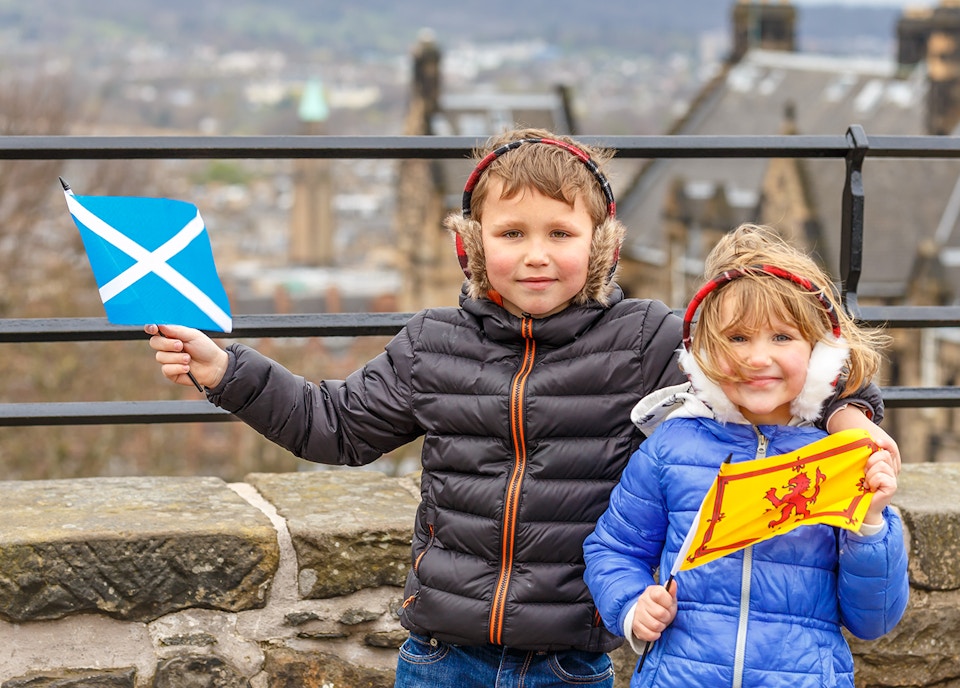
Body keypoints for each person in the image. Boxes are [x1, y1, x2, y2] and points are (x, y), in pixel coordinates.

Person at [146, 130, 896, 688]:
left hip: (570, 659)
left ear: (599, 244)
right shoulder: (431, 343)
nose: (536, 255)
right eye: (511, 234)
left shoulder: (643, 340)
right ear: (473, 245)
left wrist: (853, 421)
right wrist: (226, 370)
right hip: (443, 654)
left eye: (560, 234)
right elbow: (332, 426)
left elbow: (788, 369)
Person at [582, 223, 910, 688]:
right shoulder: (671, 448)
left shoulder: (839, 459)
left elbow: (873, 619)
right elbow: (613, 549)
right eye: (737, 338)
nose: (757, 358)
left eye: (782, 337)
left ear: (818, 354)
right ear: (706, 352)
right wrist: (632, 604)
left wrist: (872, 523)